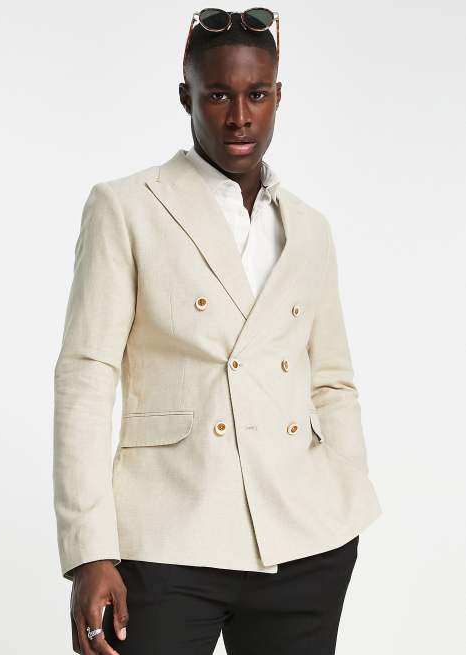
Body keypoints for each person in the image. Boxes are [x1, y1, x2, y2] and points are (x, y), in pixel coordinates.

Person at [53, 8, 382, 655]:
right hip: (166, 536)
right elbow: (86, 375)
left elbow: (332, 379)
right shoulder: (127, 206)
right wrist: (89, 551)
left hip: (303, 541)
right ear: (187, 97)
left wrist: (345, 490)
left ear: (278, 96)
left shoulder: (308, 228)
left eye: (256, 95)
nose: (238, 117)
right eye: (217, 95)